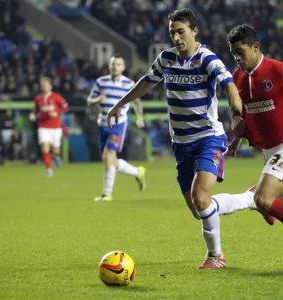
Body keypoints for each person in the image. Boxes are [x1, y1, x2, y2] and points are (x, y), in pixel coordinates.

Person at [107, 9, 244, 269]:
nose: (176, 37)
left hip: (208, 138)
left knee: (201, 199)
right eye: (172, 32)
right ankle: (248, 199)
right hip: (181, 144)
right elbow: (147, 82)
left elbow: (229, 86)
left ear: (194, 31)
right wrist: (120, 104)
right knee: (198, 209)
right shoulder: (166, 58)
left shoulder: (207, 59)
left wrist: (236, 114)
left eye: (181, 31)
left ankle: (216, 257)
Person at [228, 24, 283, 223]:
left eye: (240, 52)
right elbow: (240, 112)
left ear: (256, 47)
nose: (237, 58)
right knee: (265, 201)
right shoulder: (236, 77)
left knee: (262, 198)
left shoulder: (277, 70)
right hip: (268, 150)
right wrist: (236, 138)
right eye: (234, 53)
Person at [88, 55, 146, 202]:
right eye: (113, 64)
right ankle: (137, 171)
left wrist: (139, 117)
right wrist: (97, 100)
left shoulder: (129, 84)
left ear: (123, 68)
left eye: (119, 64)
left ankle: (107, 194)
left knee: (108, 156)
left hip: (119, 124)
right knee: (110, 160)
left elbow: (137, 102)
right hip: (102, 123)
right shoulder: (101, 82)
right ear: (110, 66)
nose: (115, 66)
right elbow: (89, 101)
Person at [29, 76, 69, 177]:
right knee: (45, 147)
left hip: (55, 127)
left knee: (56, 149)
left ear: (50, 86)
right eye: (42, 85)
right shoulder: (38, 99)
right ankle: (49, 170)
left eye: (46, 85)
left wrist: (57, 112)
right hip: (43, 126)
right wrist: (33, 115)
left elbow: (65, 107)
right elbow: (35, 110)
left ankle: (56, 156)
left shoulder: (56, 97)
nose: (44, 87)